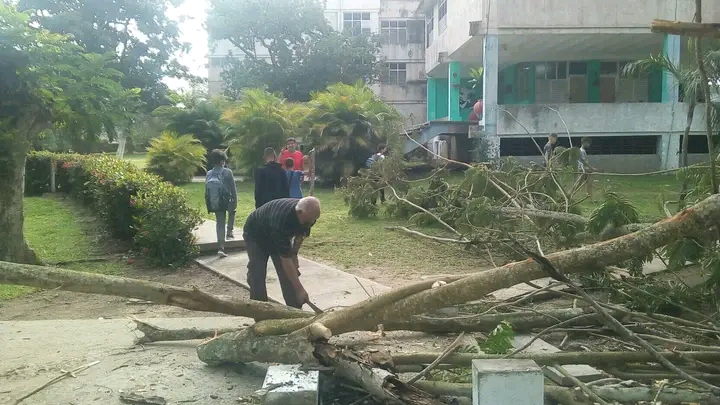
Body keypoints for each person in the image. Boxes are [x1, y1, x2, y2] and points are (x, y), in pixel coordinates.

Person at [243, 197, 321, 309]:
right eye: (309, 221)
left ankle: (295, 311)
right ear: (299, 213)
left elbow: (300, 235)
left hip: (275, 232)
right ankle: (260, 312)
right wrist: (299, 289)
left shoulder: (307, 214)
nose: (312, 223)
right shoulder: (282, 220)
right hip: (256, 235)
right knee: (258, 273)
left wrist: (294, 254)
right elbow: (285, 260)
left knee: (288, 274)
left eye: (314, 220)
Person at [204, 149, 237, 258]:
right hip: (228, 200)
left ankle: (221, 247)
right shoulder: (228, 172)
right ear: (222, 161)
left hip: (217, 201)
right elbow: (233, 188)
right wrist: (235, 201)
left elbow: (206, 191)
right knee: (232, 213)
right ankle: (229, 232)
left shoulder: (209, 173)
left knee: (220, 223)